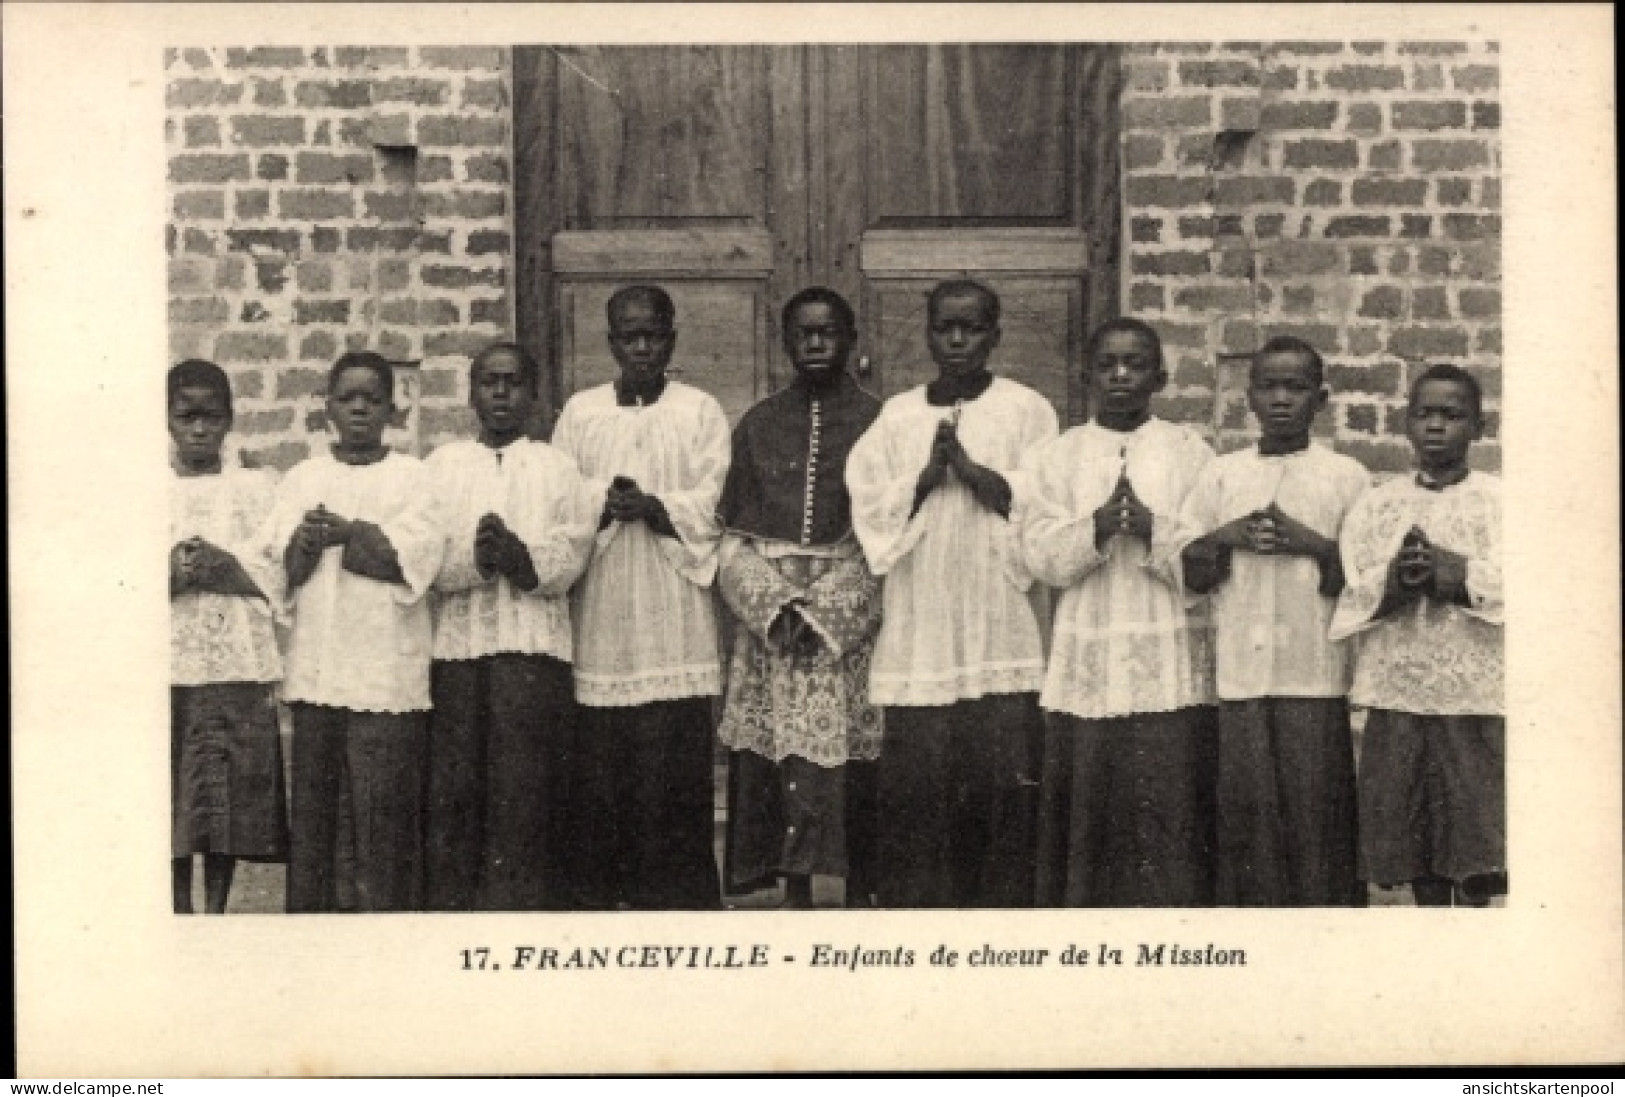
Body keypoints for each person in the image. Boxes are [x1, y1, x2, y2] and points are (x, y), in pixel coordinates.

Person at [847, 279, 1058, 908]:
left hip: (996, 616)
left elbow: (1043, 502)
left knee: (999, 762)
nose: (958, 340)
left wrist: (969, 471)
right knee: (923, 765)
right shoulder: (899, 415)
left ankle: (1000, 904)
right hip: (924, 615)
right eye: (945, 327)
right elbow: (868, 501)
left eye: (972, 327)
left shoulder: (1027, 411)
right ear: (929, 332)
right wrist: (924, 477)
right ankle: (921, 901)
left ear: (996, 334)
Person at [1021, 317, 1217, 907]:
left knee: (1165, 779)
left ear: (1160, 375)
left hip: (1165, 644)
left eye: (1135, 364)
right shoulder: (1058, 456)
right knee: (1091, 786)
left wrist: (1157, 529)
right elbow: (1036, 549)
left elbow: (1209, 551)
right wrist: (1098, 527)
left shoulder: (1188, 452)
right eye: (1107, 365)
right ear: (1086, 376)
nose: (1121, 376)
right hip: (1090, 640)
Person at [551, 285, 731, 910]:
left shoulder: (699, 411)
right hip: (603, 609)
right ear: (611, 343)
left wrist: (656, 506)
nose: (644, 347)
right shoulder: (581, 414)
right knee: (605, 758)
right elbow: (558, 495)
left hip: (671, 607)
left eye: (654, 334)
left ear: (672, 340)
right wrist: (602, 506)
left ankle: (676, 898)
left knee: (671, 755)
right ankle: (607, 894)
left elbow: (716, 499)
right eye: (631, 336)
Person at [1176, 336, 1370, 906]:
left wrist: (1311, 543)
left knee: (1314, 810)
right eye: (1268, 386)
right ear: (1249, 398)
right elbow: (1188, 566)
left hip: (1313, 673)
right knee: (1246, 811)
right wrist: (1224, 536)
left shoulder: (1345, 476)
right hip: (1240, 672)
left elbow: (1363, 580)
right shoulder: (1221, 475)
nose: (1281, 398)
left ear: (1322, 399)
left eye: (1296, 386)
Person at [716, 288, 883, 909]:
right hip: (772, 621)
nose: (816, 344)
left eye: (829, 333)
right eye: (803, 334)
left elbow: (886, 537)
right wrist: (774, 606)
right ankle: (792, 887)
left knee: (854, 748)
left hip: (849, 620)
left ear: (851, 340)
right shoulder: (758, 424)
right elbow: (729, 539)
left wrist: (832, 610)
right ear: (785, 343)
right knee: (777, 750)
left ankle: (861, 882)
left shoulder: (880, 423)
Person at [267, 351, 444, 912]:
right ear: (329, 410)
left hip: (386, 675)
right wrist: (304, 544)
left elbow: (423, 559)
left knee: (381, 816)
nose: (361, 408)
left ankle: (386, 936)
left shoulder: (414, 477)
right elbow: (279, 573)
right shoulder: (303, 478)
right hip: (319, 670)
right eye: (348, 398)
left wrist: (354, 533)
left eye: (373, 398)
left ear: (394, 408)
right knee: (318, 818)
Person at [423, 342, 594, 911]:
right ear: (472, 393)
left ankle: (522, 910)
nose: (501, 394)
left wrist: (521, 557)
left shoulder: (557, 467)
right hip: (458, 652)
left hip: (532, 652)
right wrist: (473, 558)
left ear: (534, 394)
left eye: (514, 382)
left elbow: (573, 552)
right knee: (458, 786)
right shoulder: (443, 467)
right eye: (490, 382)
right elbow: (425, 555)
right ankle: (458, 910)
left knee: (524, 790)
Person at [1329, 363, 1504, 907]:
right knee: (1416, 841)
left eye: (1452, 416)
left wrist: (1457, 574)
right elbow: (1353, 585)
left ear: (1479, 426)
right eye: (1425, 414)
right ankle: (1430, 918)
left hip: (1473, 697)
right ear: (1407, 423)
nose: (1436, 427)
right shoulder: (1379, 505)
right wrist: (1396, 581)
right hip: (1400, 695)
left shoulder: (1501, 503)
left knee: (1474, 841)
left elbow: (1526, 577)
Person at [168, 359, 288, 914]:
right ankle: (178, 908)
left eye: (210, 417)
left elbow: (276, 569)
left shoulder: (254, 489)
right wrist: (171, 573)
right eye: (186, 417)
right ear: (168, 421)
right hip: (171, 665)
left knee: (226, 791)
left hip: (236, 666)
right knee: (174, 788)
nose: (199, 429)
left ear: (229, 420)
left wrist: (224, 566)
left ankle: (216, 906)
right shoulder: (149, 489)